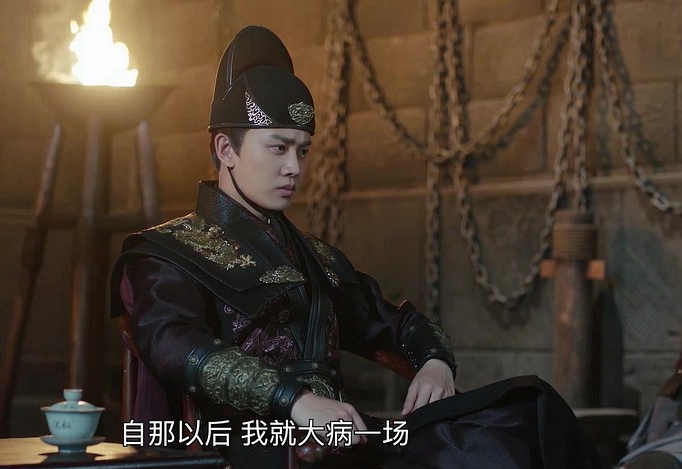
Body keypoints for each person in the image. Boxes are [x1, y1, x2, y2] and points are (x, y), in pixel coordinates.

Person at [111, 25, 604, 468]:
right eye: (278, 147)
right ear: (226, 150)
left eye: (303, 151)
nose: (294, 168)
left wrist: (435, 361)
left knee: (527, 410)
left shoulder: (313, 257)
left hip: (343, 436)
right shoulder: (167, 253)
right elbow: (174, 345)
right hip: (249, 443)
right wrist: (295, 400)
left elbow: (397, 323)